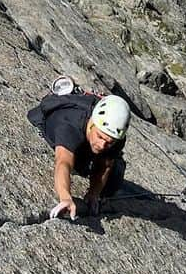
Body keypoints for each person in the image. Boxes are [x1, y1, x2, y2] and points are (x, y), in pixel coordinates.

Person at [27, 87, 130, 220]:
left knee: (114, 178)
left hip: (86, 138)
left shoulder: (115, 136)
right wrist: (65, 197)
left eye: (109, 142)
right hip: (59, 123)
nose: (102, 145)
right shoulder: (69, 127)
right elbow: (63, 162)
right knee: (78, 163)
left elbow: (104, 165)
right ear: (92, 123)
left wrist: (94, 194)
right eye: (100, 137)